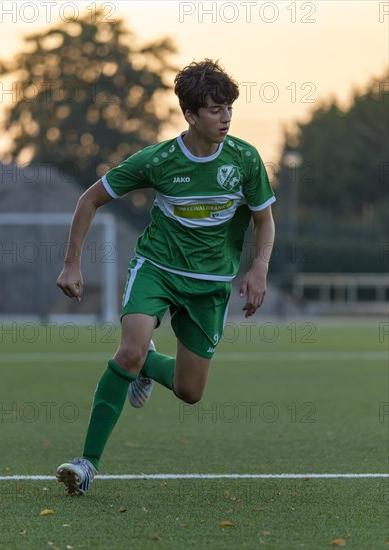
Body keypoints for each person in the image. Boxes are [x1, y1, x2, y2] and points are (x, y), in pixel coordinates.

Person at [56, 59, 275, 495]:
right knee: (128, 351)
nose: (225, 117)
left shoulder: (246, 160)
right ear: (190, 115)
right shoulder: (158, 159)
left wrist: (258, 269)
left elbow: (264, 222)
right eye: (214, 109)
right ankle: (86, 464)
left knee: (190, 391)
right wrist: (72, 263)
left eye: (228, 107)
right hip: (156, 269)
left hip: (210, 285)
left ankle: (147, 368)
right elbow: (88, 200)